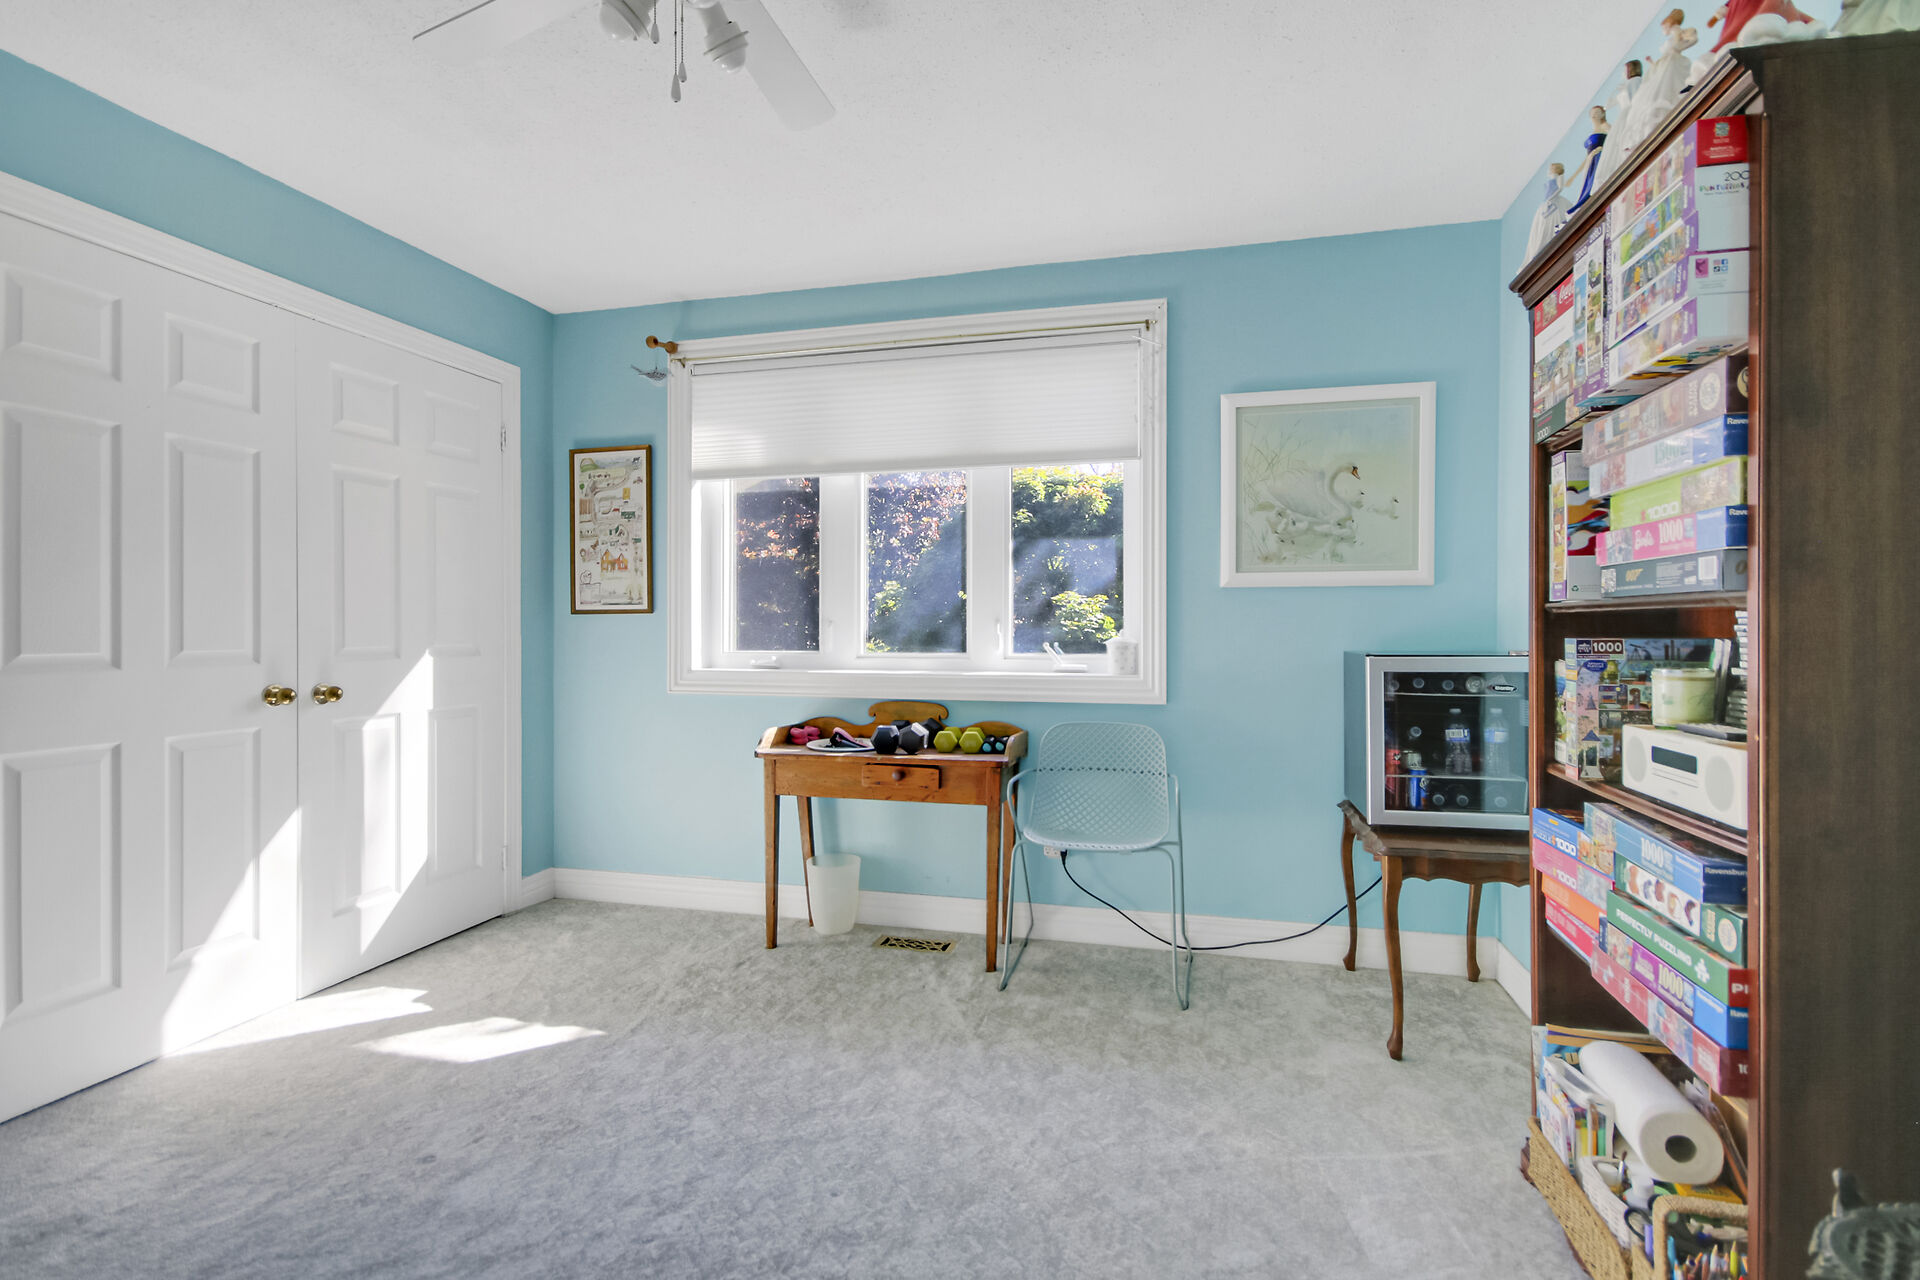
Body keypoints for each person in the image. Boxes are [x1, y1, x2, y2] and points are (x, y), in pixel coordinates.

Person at [1594, 60, 1643, 184]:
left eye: (1624, 70)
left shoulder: (1636, 82)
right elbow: (1610, 103)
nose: (1623, 74)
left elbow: (1635, 100)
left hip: (1629, 115)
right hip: (1623, 117)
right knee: (1615, 145)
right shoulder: (1626, 85)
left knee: (1622, 141)